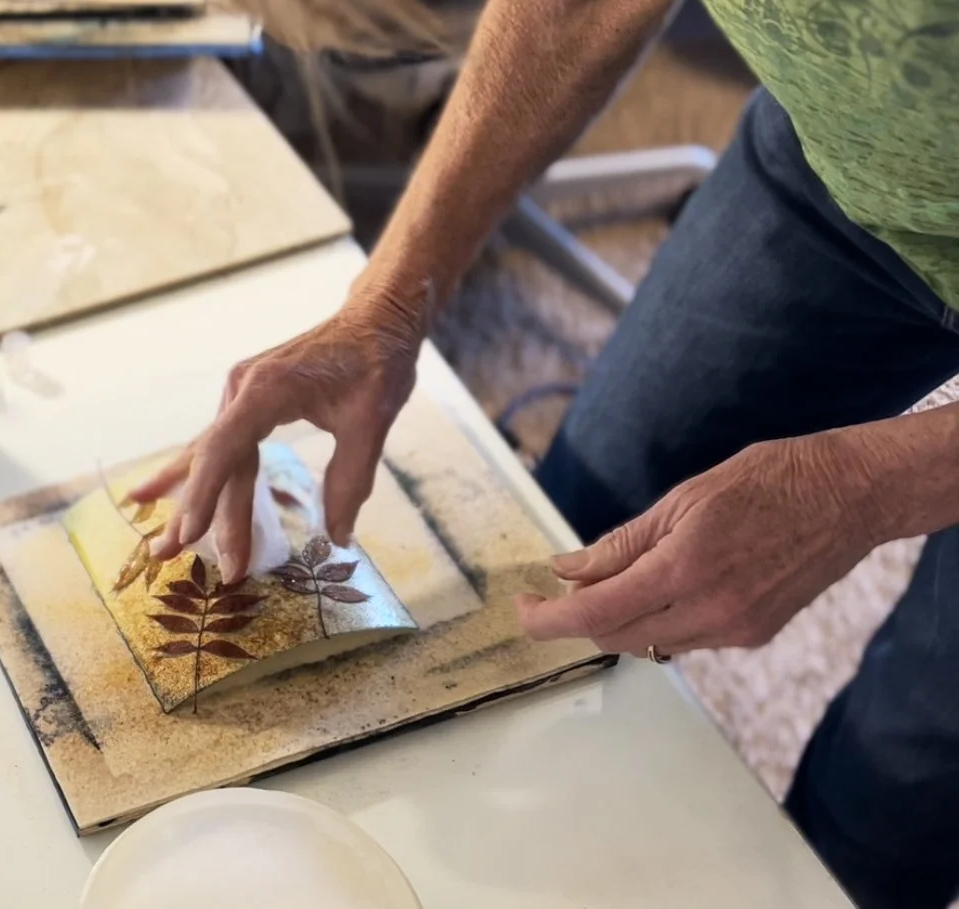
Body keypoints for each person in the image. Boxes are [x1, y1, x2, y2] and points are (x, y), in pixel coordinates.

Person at [129, 1, 959, 905]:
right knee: (575, 532)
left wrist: (863, 485)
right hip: (844, 154)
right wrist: (392, 299)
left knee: (905, 769)